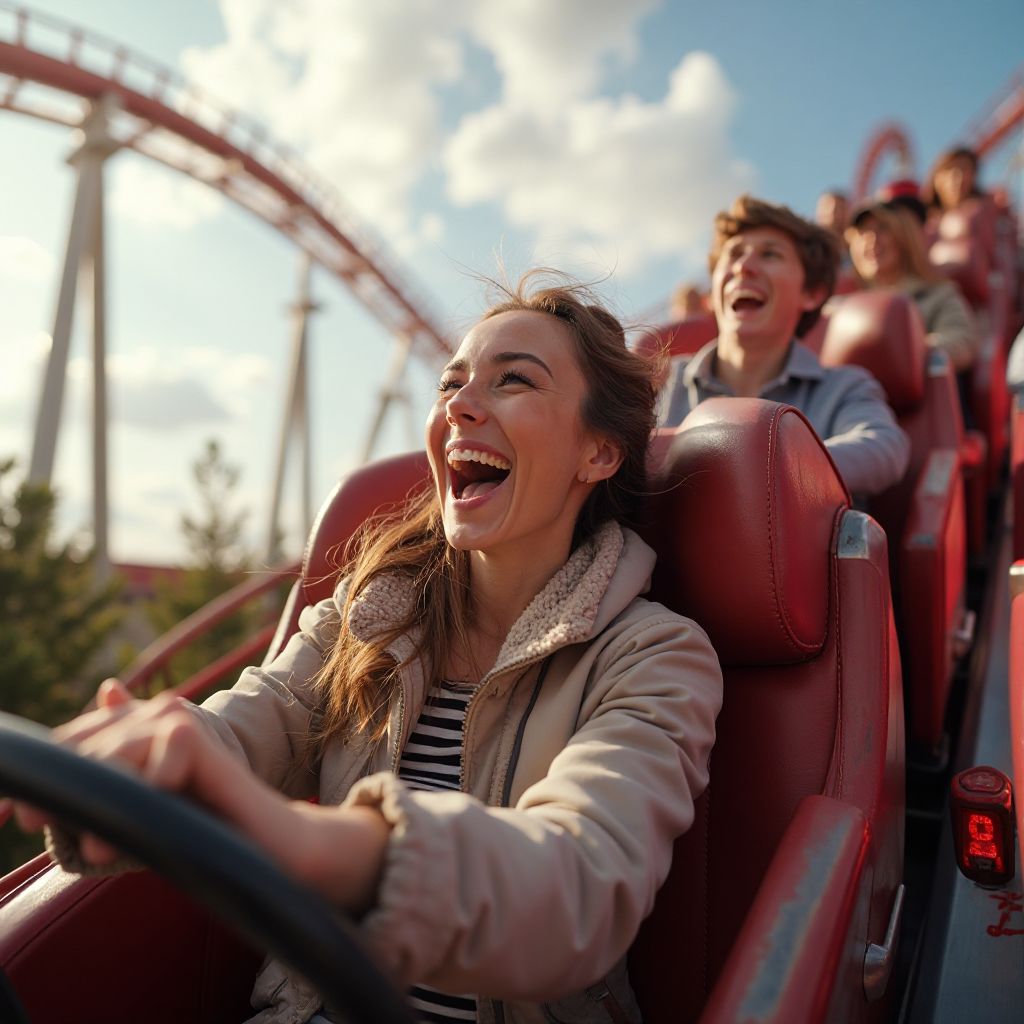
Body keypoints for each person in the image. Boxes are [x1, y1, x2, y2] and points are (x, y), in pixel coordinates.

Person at [9, 273, 723, 1024]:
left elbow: (574, 891)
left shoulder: (656, 657)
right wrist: (157, 760)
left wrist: (313, 844)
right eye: (452, 383)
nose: (458, 405)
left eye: (514, 380)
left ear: (600, 453)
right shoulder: (370, 614)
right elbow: (248, 726)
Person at [662, 194, 910, 500]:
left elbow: (885, 447)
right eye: (734, 254)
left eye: (770, 255)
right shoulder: (660, 384)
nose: (744, 267)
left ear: (812, 293)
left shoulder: (844, 387)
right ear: (713, 292)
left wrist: (772, 465)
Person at [846, 197, 978, 373]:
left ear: (904, 238)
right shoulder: (845, 305)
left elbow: (962, 342)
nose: (871, 240)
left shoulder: (937, 294)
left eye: (883, 229)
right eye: (863, 232)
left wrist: (914, 349)